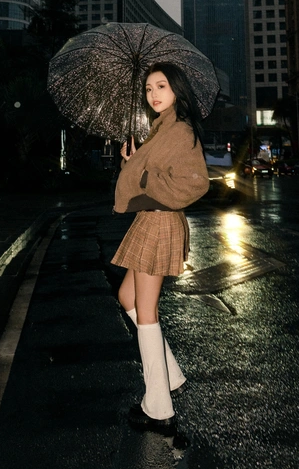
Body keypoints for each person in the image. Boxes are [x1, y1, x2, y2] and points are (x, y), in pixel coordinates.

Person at [111, 62, 209, 435]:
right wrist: (132, 163)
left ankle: (158, 407)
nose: (154, 94)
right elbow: (148, 173)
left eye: (161, 86)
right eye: (149, 88)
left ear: (176, 90)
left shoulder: (180, 129)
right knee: (127, 298)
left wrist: (146, 173)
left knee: (147, 312)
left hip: (160, 222)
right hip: (147, 221)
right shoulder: (159, 128)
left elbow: (196, 183)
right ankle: (170, 375)